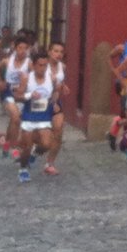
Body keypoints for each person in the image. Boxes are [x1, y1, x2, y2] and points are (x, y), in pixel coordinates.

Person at [15, 50, 57, 182]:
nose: (43, 68)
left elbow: (55, 92)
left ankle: (34, 154)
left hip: (44, 116)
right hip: (29, 116)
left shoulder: (51, 78)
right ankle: (23, 169)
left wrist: (54, 102)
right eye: (40, 65)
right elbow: (17, 96)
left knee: (46, 144)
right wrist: (29, 96)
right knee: (26, 146)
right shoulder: (26, 78)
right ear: (33, 65)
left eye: (45, 65)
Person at [0, 36, 31, 159]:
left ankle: (6, 145)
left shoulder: (29, 63)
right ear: (15, 49)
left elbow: (35, 77)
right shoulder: (7, 61)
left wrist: (26, 81)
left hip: (21, 93)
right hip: (8, 91)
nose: (22, 51)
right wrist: (0, 81)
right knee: (16, 118)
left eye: (25, 48)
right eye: (20, 48)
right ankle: (14, 148)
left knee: (13, 123)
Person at [45, 41, 71, 174]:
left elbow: (61, 81)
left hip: (55, 103)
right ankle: (33, 150)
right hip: (41, 104)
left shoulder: (63, 67)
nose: (58, 54)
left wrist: (63, 86)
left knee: (59, 131)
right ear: (49, 52)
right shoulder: (42, 66)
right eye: (55, 51)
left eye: (61, 52)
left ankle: (50, 163)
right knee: (42, 138)